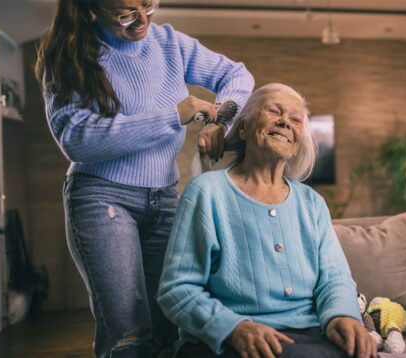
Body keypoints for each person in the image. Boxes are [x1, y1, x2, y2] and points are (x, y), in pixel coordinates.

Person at [35, 0, 254, 356]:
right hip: (101, 200)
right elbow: (77, 139)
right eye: (124, 12)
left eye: (148, 4)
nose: (141, 20)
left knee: (173, 319)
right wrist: (173, 116)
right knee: (129, 334)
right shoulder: (71, 54)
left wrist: (220, 120)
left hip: (165, 198)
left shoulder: (170, 43)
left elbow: (238, 75)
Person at [158, 83, 376, 358]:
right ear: (243, 129)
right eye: (274, 111)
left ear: (298, 143)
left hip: (309, 335)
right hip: (227, 341)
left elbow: (335, 278)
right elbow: (176, 289)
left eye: (296, 120)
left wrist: (342, 316)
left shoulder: (312, 203)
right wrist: (234, 328)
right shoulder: (206, 192)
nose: (285, 122)